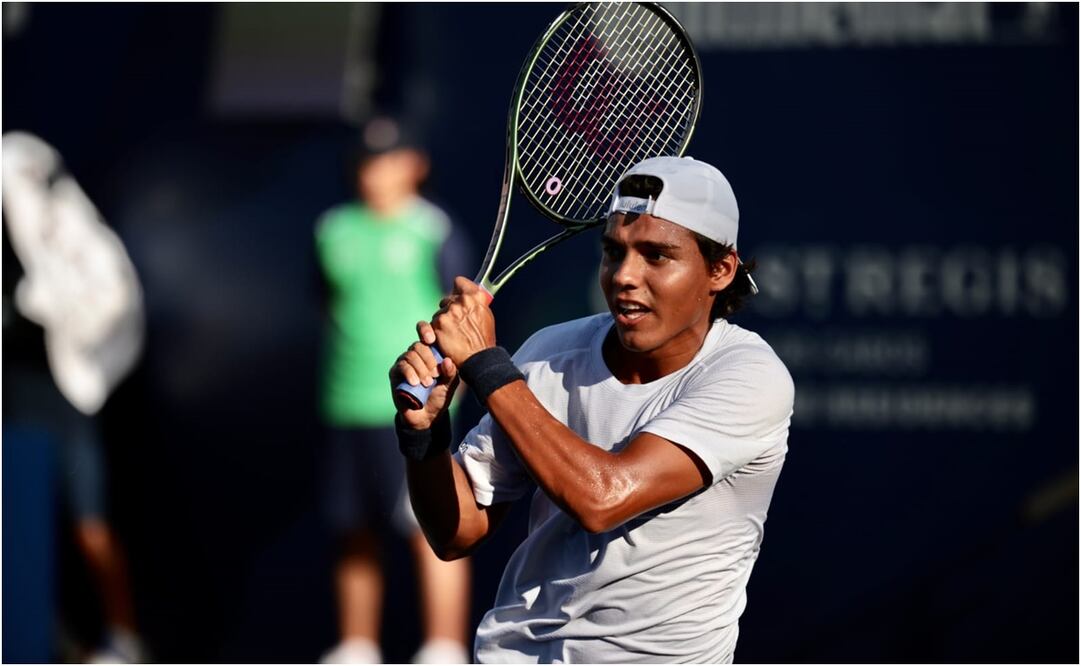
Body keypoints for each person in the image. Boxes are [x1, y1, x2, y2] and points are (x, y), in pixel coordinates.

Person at [391, 156, 794, 663]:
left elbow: (600, 498)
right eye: (613, 251)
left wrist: (488, 367)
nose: (625, 275)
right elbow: (457, 532)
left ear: (720, 270)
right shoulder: (547, 352)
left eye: (656, 256)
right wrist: (425, 437)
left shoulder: (749, 376)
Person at [316, 117, 473, 664]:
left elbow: (457, 320)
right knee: (352, 526)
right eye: (366, 163)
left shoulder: (435, 229)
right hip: (346, 400)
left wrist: (439, 398)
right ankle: (358, 645)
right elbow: (327, 304)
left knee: (430, 525)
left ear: (415, 166)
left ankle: (444, 647)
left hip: (419, 408)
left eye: (387, 161)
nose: (375, 174)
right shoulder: (332, 229)